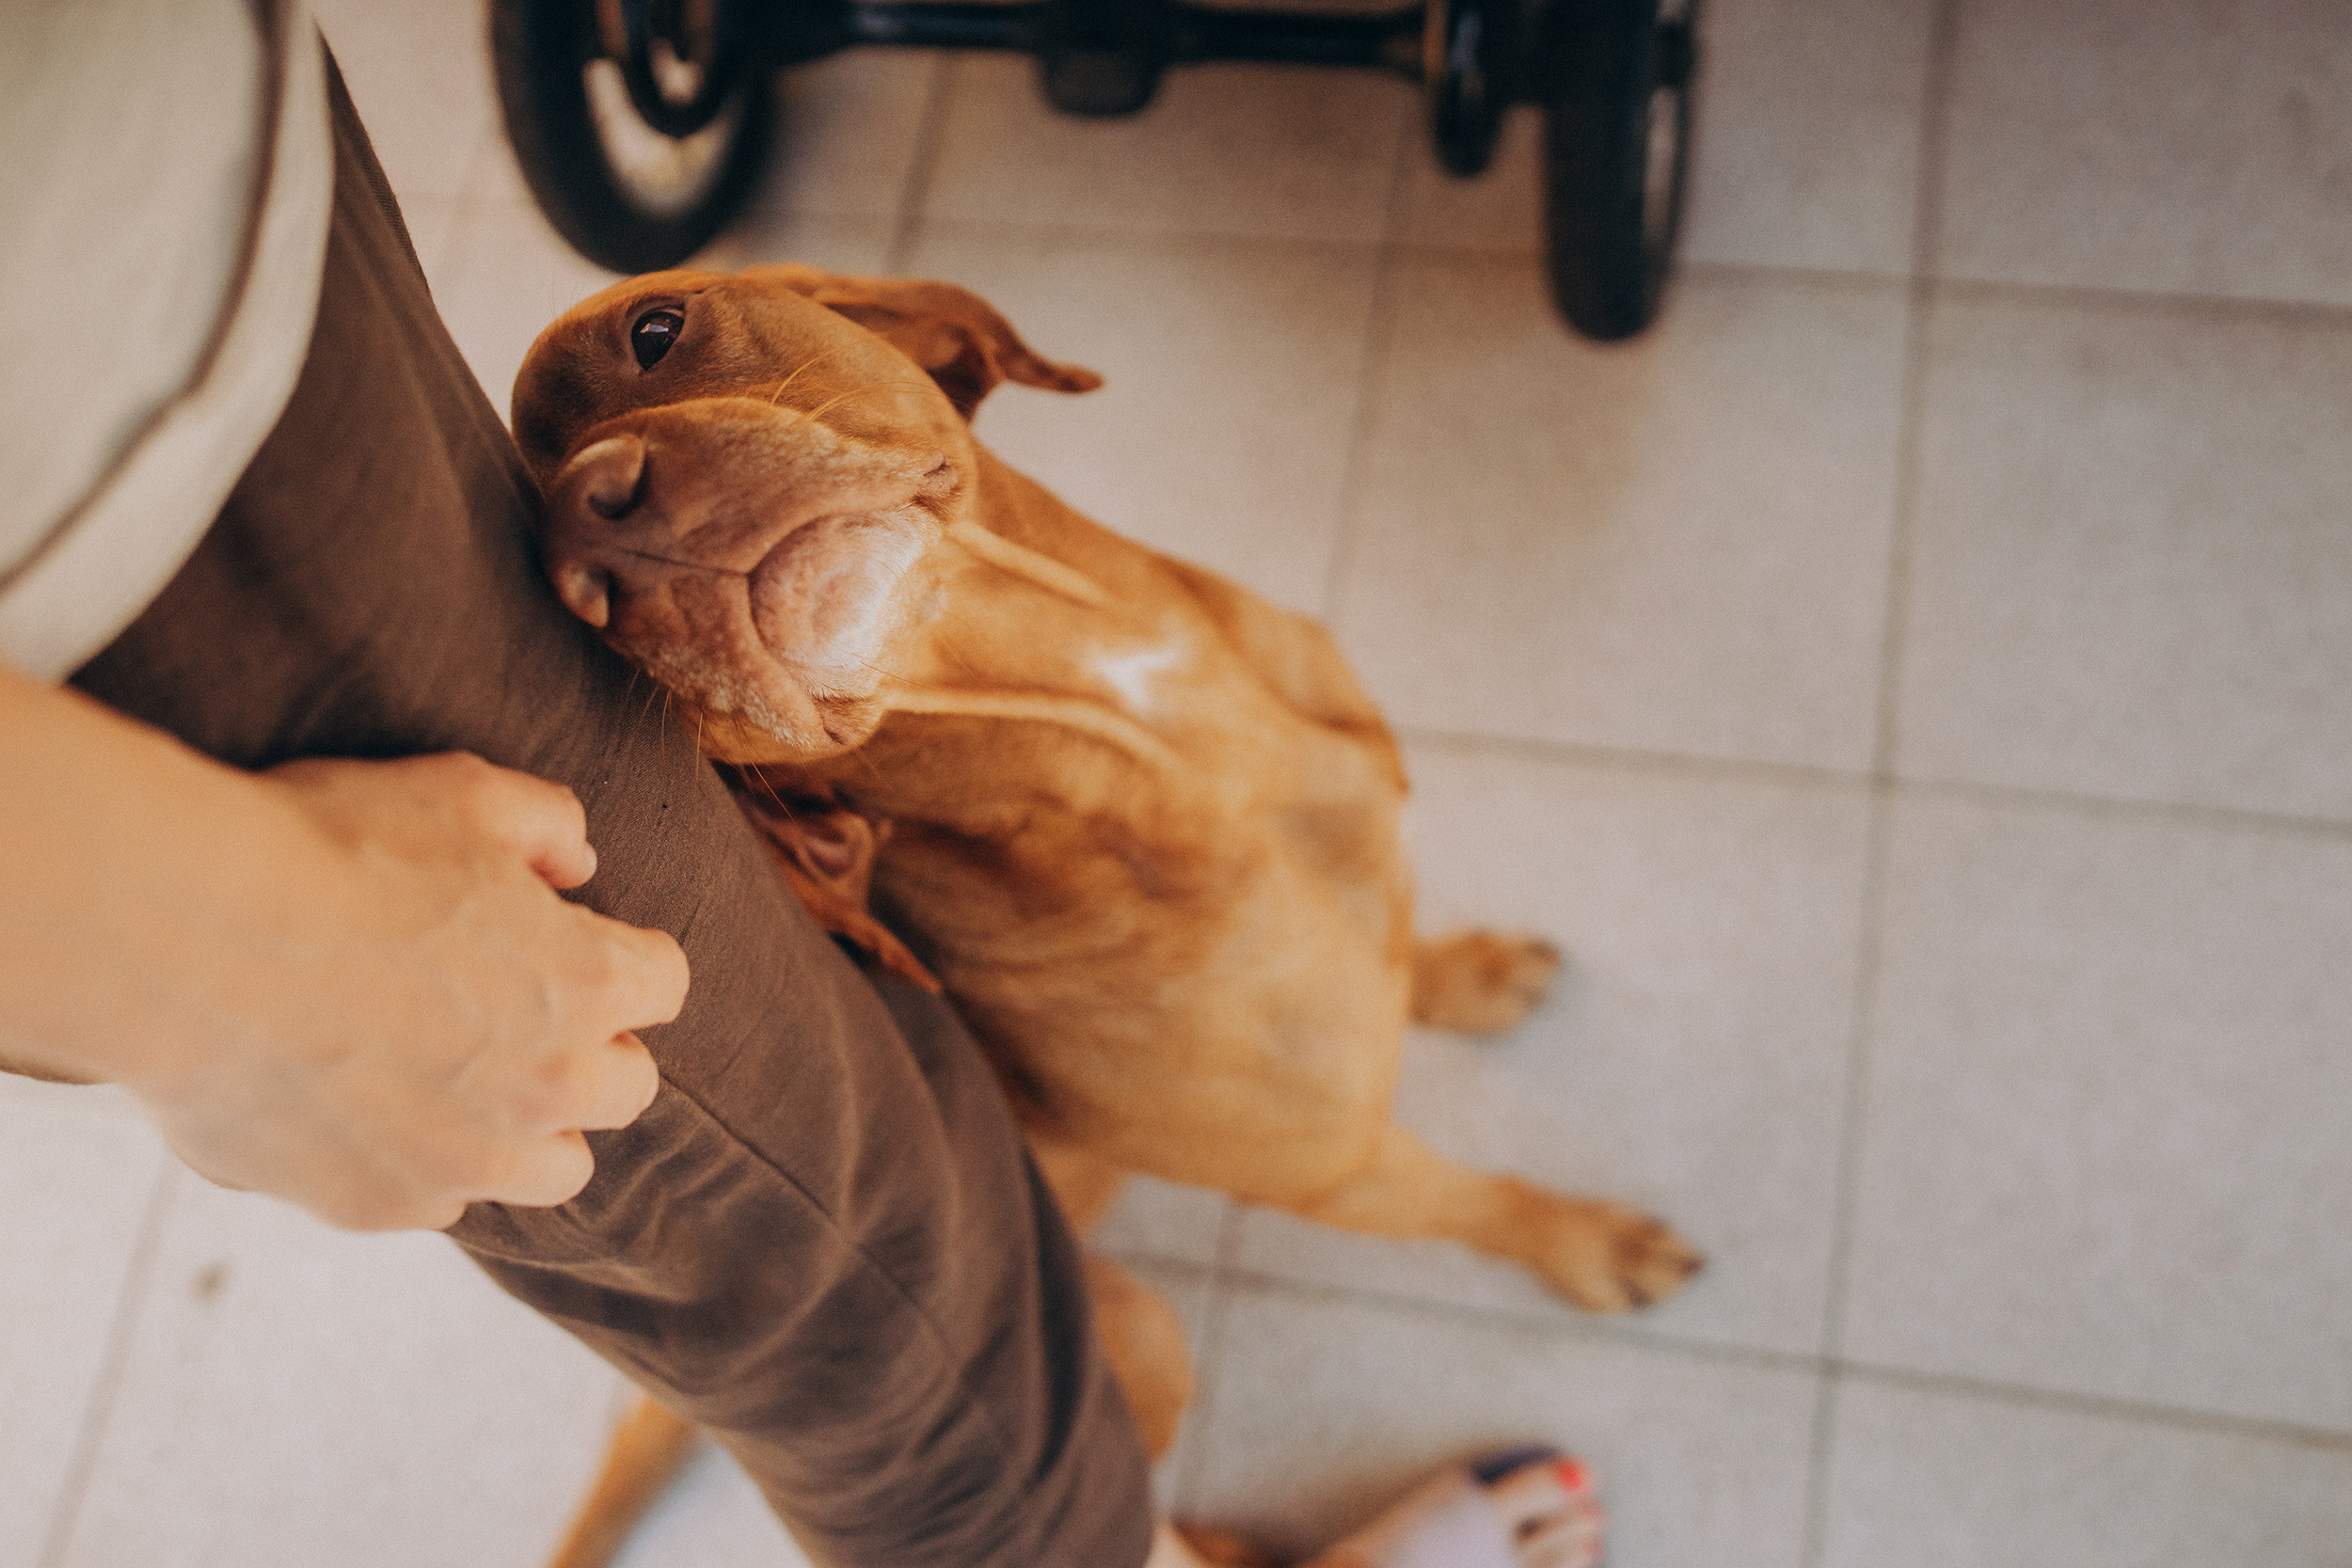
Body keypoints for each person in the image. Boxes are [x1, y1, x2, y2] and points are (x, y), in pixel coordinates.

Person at [0, 5, 1602, 1566]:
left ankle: (1406, 979)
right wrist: (239, 970)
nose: (609, 497)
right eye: (593, 579)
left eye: (658, 341)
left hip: (232, 192)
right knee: (916, 1356)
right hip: (118, 546)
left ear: (918, 336)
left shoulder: (1254, 649)